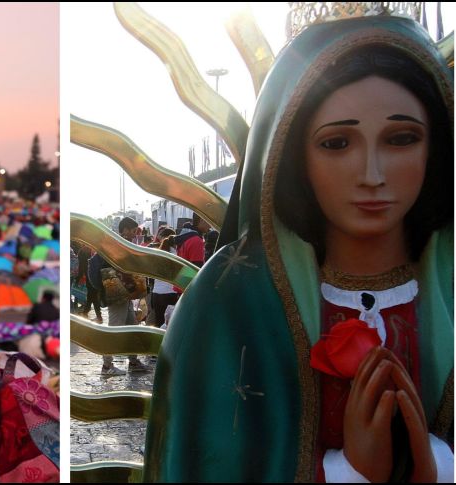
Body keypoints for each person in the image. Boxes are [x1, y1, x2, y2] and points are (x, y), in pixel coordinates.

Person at [144, 11, 453, 483]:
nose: (372, 174)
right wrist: (346, 472)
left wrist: (438, 464)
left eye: (401, 139)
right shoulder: (231, 300)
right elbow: (205, 459)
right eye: (337, 143)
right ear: (292, 153)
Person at [89, 216, 149, 375]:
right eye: (133, 231)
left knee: (132, 328)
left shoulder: (118, 244)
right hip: (117, 296)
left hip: (124, 296)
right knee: (114, 330)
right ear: (125, 230)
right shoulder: (118, 245)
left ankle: (133, 361)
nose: (135, 234)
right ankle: (107, 366)